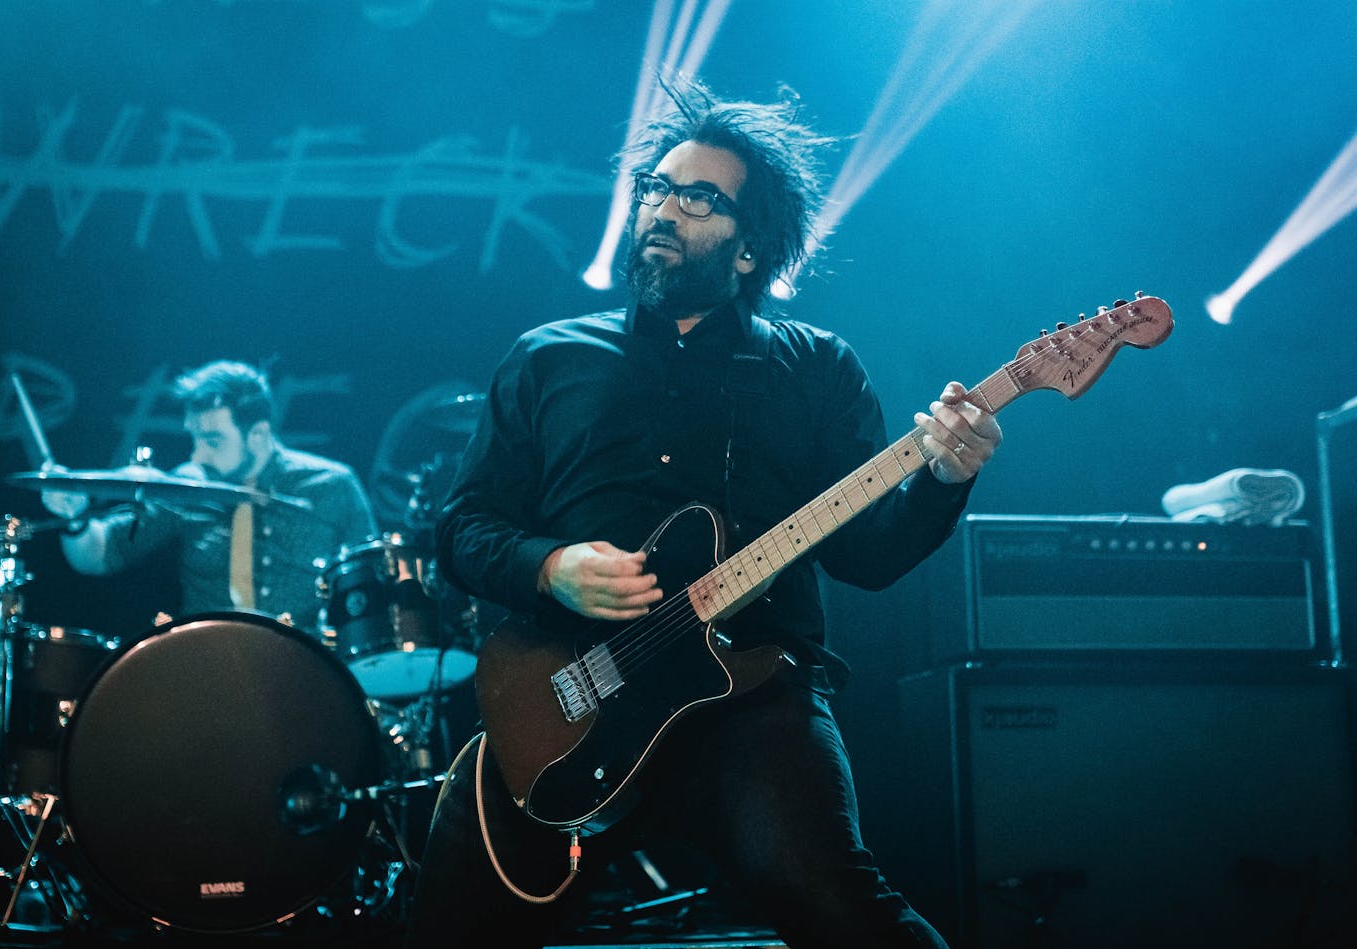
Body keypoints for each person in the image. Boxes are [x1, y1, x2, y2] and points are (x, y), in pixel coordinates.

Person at [405, 78, 1001, 949]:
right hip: (564, 694)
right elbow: (461, 529)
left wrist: (945, 478)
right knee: (449, 924)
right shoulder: (546, 359)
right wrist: (549, 566)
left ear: (750, 248)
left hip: (748, 697)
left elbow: (868, 557)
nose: (660, 207)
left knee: (837, 902)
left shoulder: (817, 370)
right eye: (654, 186)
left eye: (696, 197)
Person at [42, 359, 378, 631]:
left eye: (213, 441)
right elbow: (99, 555)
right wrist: (74, 518)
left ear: (258, 434)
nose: (197, 456)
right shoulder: (187, 486)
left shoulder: (332, 485)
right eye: (195, 438)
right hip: (207, 667)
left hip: (306, 669)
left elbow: (373, 587)